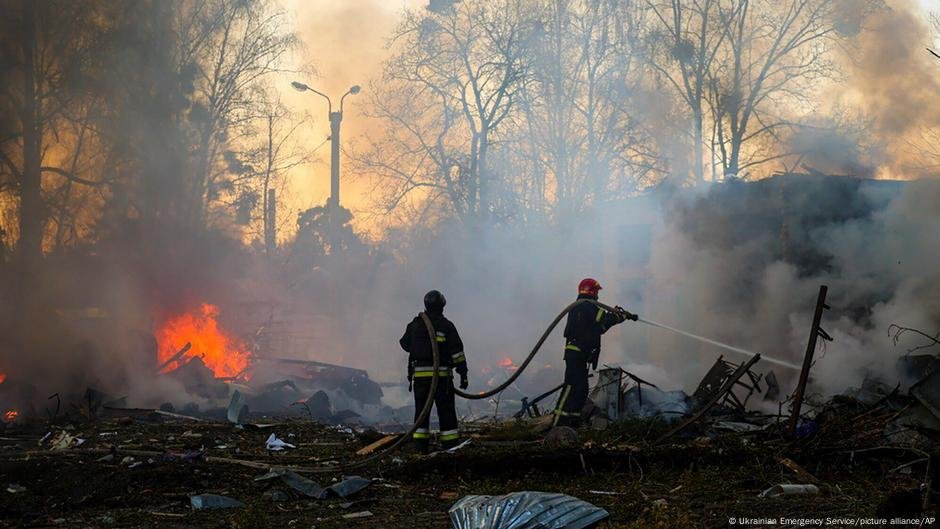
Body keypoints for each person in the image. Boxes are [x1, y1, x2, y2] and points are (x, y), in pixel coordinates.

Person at [552, 278, 637, 428]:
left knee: (581, 388)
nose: (598, 294)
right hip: (576, 353)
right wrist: (618, 316)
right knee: (571, 386)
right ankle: (559, 423)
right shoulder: (586, 305)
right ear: (591, 291)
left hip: (580, 354)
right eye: (597, 291)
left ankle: (572, 421)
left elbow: (601, 327)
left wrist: (618, 317)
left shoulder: (587, 307)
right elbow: (603, 318)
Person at [399, 290, 468, 453]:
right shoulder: (446, 326)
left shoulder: (415, 324)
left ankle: (420, 447)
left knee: (421, 413)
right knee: (446, 413)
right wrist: (463, 374)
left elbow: (404, 344)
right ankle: (451, 447)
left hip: (421, 380)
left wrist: (420, 347)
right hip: (442, 379)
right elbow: (457, 353)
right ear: (442, 306)